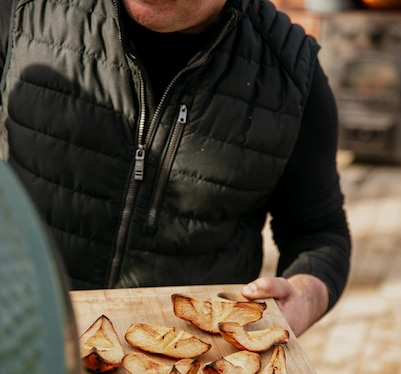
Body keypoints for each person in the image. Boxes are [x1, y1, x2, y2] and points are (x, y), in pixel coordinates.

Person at [0, 0, 350, 339]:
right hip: (20, 341)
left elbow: (320, 235)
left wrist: (304, 296)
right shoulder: (24, 11)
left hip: (188, 367)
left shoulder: (291, 70)